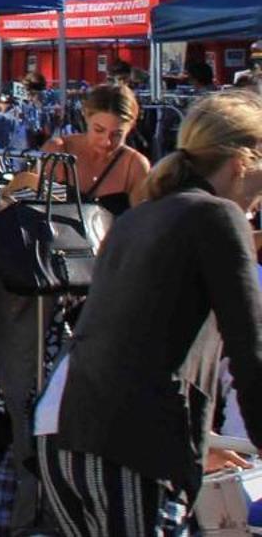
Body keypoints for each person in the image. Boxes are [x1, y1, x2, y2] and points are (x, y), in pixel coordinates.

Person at [37, 93, 262, 535]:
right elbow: (249, 349)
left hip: (64, 431)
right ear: (241, 162)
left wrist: (204, 441)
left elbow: (126, 334)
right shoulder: (218, 217)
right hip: (131, 446)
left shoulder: (142, 216)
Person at [38, 81, 152, 212]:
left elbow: (141, 223)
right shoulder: (58, 151)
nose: (106, 142)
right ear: (86, 116)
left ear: (131, 127)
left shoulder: (135, 165)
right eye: (99, 130)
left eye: (117, 135)